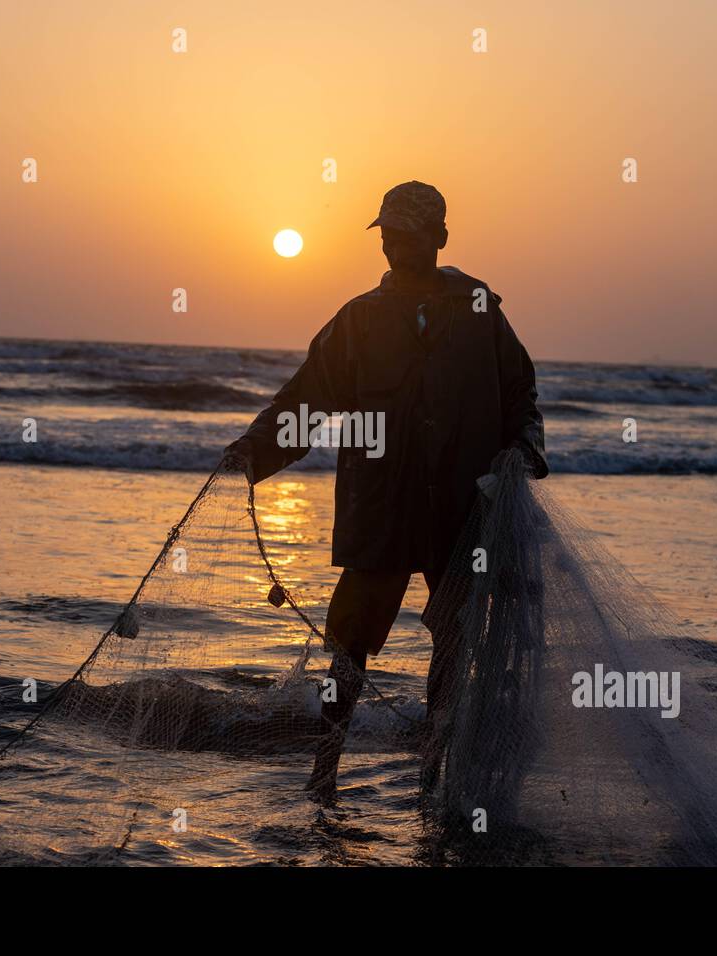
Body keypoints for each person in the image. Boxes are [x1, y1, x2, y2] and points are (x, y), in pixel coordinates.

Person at [221, 180, 548, 803]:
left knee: (455, 638)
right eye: (388, 234)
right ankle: (324, 774)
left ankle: (436, 778)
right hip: (381, 509)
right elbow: (305, 398)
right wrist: (254, 448)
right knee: (348, 640)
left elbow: (520, 398)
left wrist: (522, 452)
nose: (394, 245)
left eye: (408, 234)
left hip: (462, 509)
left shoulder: (479, 311)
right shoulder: (361, 319)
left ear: (440, 238)